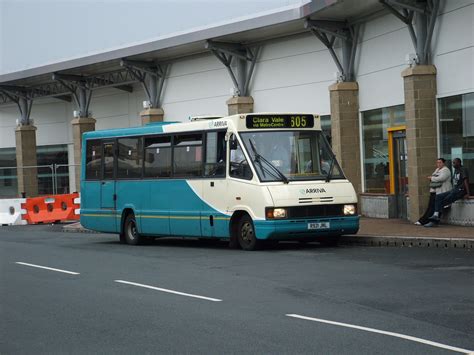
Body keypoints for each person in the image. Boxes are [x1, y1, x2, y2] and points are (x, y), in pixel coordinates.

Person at [424, 158, 470, 227]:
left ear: (459, 163)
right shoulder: (456, 170)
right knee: (439, 197)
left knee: (442, 202)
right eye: (452, 163)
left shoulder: (462, 169)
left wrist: (468, 193)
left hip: (460, 190)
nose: (453, 164)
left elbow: (466, 181)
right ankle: (436, 215)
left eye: (454, 163)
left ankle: (435, 220)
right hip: (454, 190)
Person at [415, 158, 451, 225]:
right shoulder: (437, 170)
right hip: (434, 191)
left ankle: (430, 221)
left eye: (440, 162)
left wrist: (432, 178)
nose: (438, 164)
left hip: (441, 191)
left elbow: (441, 178)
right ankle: (425, 220)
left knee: (435, 207)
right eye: (437, 162)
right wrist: (433, 178)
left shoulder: (446, 170)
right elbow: (434, 176)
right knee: (431, 206)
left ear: (443, 163)